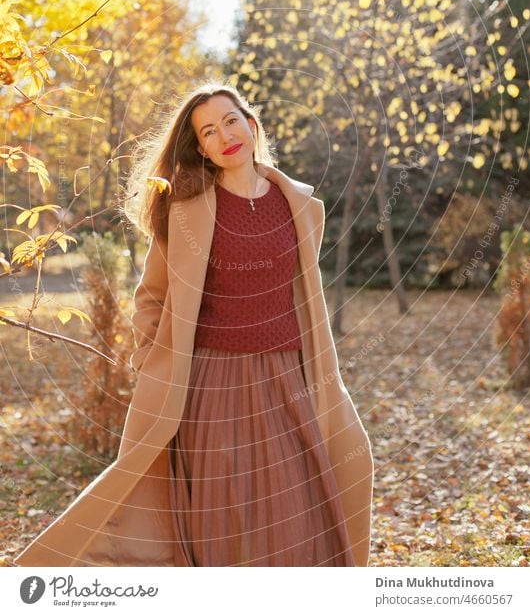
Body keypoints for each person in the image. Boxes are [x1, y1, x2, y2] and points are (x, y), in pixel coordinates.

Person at [14, 79, 373, 568]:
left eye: (230, 121)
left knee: (297, 512)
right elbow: (151, 298)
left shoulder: (299, 206)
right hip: (211, 384)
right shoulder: (186, 214)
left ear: (250, 124)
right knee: (221, 516)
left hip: (289, 379)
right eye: (208, 131)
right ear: (200, 148)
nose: (224, 135)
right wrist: (153, 360)